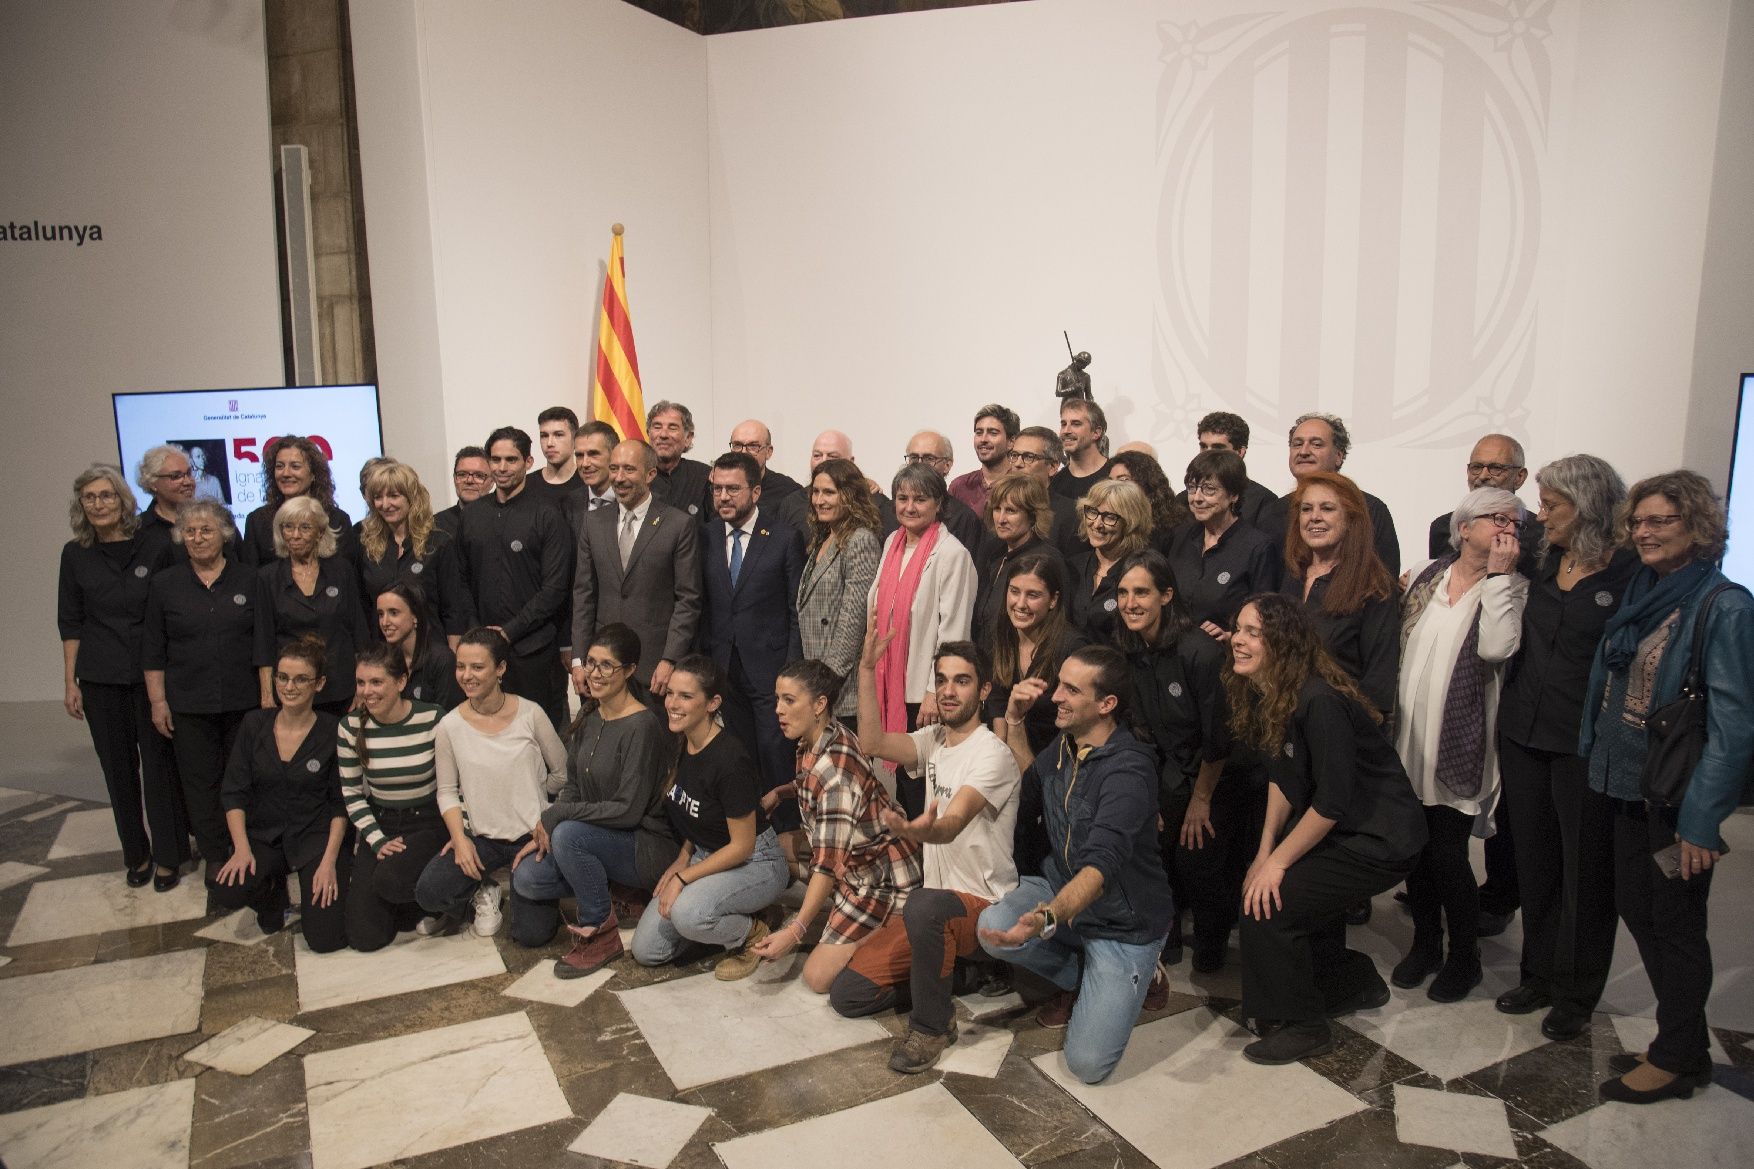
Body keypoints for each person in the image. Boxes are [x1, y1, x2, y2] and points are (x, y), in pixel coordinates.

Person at [1580, 470, 1754, 1104]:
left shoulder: (1724, 606)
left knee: (1675, 923)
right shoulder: (1644, 590)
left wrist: (1702, 822)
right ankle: (1684, 1043)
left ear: (1698, 528)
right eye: (1638, 521)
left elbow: (1734, 728)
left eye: (1660, 521)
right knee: (1641, 910)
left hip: (1676, 799)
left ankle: (1678, 1054)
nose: (1644, 532)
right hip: (1626, 783)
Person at [1226, 595, 1429, 1063]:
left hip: (1380, 839)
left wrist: (1277, 865)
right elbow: (1283, 778)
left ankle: (1304, 1026)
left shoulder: (1320, 702)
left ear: (1283, 642)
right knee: (1263, 882)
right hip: (1346, 830)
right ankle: (1350, 981)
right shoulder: (1272, 692)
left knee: (1269, 905)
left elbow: (1332, 804)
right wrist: (1264, 853)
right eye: (1238, 628)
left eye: (1254, 632)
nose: (1238, 639)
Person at [979, 646, 1173, 1085]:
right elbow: (1034, 779)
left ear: (1107, 705)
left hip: (1122, 922)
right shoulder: (1067, 746)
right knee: (992, 926)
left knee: (1087, 1065)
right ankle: (1083, 978)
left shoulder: (1128, 771)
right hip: (1061, 887)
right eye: (1059, 684)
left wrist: (1047, 916)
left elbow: (1100, 869)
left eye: (1071, 689)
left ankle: (1144, 970)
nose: (1055, 698)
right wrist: (1012, 721)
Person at [834, 632, 1021, 1074]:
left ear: (984, 690)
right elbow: (873, 742)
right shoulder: (934, 738)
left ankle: (932, 1025)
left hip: (983, 906)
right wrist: (865, 670)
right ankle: (954, 976)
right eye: (942, 681)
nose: (949, 691)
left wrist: (920, 830)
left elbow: (953, 822)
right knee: (849, 994)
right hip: (934, 909)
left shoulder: (992, 755)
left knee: (923, 905)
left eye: (962, 681)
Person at [1495, 454, 1634, 1041]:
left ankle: (1576, 993)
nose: (1541, 511)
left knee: (1586, 874)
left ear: (1588, 506)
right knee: (1535, 864)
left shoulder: (1628, 572)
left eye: (1553, 503)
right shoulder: (1546, 559)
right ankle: (1538, 974)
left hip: (1582, 744)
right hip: (1524, 734)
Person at [1391, 488, 1528, 1002]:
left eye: (1514, 522)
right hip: (1408, 739)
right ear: (1465, 527)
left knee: (1448, 855)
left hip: (1461, 742)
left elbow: (1497, 648)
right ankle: (1425, 945)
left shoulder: (1511, 588)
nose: (1507, 529)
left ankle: (1464, 958)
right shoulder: (1429, 575)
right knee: (1415, 854)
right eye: (1497, 519)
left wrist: (1496, 579)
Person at [1113, 550, 1255, 973]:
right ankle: (1166, 933)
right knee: (1151, 843)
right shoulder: (1130, 647)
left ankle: (1212, 939)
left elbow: (1221, 738)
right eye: (1122, 592)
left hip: (1217, 772)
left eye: (1141, 592)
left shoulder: (1199, 653)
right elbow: (1138, 730)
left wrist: (1201, 799)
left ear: (1167, 595)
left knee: (1197, 853)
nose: (1130, 603)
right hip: (1166, 768)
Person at [748, 660, 924, 992]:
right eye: (778, 700)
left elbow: (826, 866)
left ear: (819, 705)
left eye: (789, 701)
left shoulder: (836, 776)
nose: (778, 710)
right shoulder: (823, 735)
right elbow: (811, 785)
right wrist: (781, 792)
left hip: (881, 878)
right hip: (852, 858)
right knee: (776, 847)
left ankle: (895, 931)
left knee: (817, 977)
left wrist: (796, 930)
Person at [511, 624, 674, 977]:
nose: (595, 674)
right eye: (592, 663)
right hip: (598, 835)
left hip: (644, 845)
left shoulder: (642, 726)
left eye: (607, 666)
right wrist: (555, 819)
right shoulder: (590, 714)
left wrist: (557, 818)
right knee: (527, 878)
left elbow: (628, 810)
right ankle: (618, 892)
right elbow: (572, 786)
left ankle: (601, 932)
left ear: (630, 670)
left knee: (568, 835)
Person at [632, 654, 790, 979]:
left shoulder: (730, 759)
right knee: (648, 951)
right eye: (671, 693)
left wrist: (682, 878)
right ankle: (729, 917)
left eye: (686, 696)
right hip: (708, 854)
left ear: (712, 703)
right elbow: (702, 814)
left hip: (755, 862)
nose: (672, 703)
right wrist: (681, 858)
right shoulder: (681, 740)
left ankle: (752, 933)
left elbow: (742, 847)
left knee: (688, 913)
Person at [59, 464, 179, 889]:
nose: (98, 504)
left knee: (160, 770)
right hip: (100, 678)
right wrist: (70, 680)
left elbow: (167, 612)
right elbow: (70, 621)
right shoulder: (75, 554)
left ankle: (168, 855)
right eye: (89, 497)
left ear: (122, 500)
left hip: (150, 679)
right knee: (118, 771)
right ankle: (137, 853)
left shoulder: (153, 544)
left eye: (106, 495)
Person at [416, 627, 566, 942]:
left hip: (531, 835)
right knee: (429, 892)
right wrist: (459, 838)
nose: (466, 675)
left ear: (500, 669)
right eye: (461, 666)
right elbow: (445, 792)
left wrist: (542, 806)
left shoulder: (531, 713)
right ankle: (482, 890)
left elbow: (563, 774)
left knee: (532, 936)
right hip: (482, 838)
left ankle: (529, 883)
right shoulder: (449, 726)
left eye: (477, 667)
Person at [144, 499, 264, 890]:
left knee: (243, 777)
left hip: (243, 700)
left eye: (206, 530)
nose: (198, 538)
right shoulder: (165, 585)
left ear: (224, 534)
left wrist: (266, 695)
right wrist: (158, 701)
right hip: (189, 702)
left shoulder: (250, 580)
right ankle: (216, 853)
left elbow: (263, 643)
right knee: (200, 782)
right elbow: (153, 650)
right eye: (190, 531)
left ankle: (246, 847)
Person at [212, 635, 348, 948]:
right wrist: (242, 848)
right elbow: (234, 793)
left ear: (319, 684)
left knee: (325, 939)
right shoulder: (253, 724)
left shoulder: (334, 730)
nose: (289, 687)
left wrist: (329, 862)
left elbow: (340, 805)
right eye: (283, 677)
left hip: (315, 839)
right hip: (265, 836)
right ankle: (272, 897)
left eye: (301, 679)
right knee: (227, 889)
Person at [866, 462, 977, 816]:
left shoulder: (952, 553)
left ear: (939, 504)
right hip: (889, 681)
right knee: (895, 787)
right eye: (902, 498)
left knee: (920, 790)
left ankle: (927, 865)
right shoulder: (892, 543)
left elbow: (954, 631)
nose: (909, 507)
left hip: (920, 691)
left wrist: (935, 689)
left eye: (920, 499)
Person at [700, 451, 807, 814]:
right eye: (717, 489)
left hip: (771, 670)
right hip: (724, 669)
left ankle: (789, 837)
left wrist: (791, 670)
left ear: (756, 492)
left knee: (776, 753)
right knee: (739, 755)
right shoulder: (706, 536)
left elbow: (796, 609)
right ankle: (752, 832)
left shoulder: (783, 537)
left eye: (733, 489)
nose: (723, 497)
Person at [456, 426, 574, 731]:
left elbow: (555, 588)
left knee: (537, 735)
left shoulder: (547, 514)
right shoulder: (473, 515)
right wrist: (476, 633)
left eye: (511, 460)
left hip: (533, 651)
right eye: (495, 460)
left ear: (528, 462)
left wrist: (509, 631)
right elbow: (461, 581)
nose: (502, 468)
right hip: (482, 651)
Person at [570, 438, 702, 696]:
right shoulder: (593, 522)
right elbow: (583, 594)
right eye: (614, 468)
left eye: (629, 469)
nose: (619, 478)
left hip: (654, 669)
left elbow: (688, 600)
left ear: (651, 474)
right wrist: (579, 660)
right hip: (601, 668)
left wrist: (670, 659)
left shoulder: (678, 524)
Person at [339, 643, 447, 951]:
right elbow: (352, 793)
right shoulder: (349, 727)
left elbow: (453, 785)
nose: (366, 691)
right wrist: (376, 840)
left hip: (427, 820)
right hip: (383, 822)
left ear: (401, 682)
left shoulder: (432, 718)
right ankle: (410, 903)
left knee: (391, 881)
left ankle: (446, 897)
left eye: (376, 682)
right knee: (365, 937)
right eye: (361, 683)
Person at [1279, 472, 1399, 715]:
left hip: (1341, 726)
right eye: (1306, 509)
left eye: (1327, 509)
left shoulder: (1374, 588)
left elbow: (1378, 686)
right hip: (1283, 724)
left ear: (1350, 518)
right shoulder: (1291, 576)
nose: (1314, 518)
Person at [254, 496, 369, 718]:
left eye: (304, 527)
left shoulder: (341, 570)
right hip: (292, 688)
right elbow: (263, 640)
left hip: (340, 686)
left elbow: (358, 631)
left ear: (320, 532)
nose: (295, 535)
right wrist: (267, 694)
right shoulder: (267, 577)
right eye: (288, 527)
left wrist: (362, 685)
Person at [1258, 413, 1401, 576]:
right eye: (1297, 444)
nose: (1303, 451)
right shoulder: (1272, 512)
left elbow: (1385, 580)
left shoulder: (1369, 509)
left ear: (1338, 456)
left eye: (1316, 444)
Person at [797, 457, 883, 719]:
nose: (819, 500)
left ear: (849, 496)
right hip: (818, 678)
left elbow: (853, 618)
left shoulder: (860, 540)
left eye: (829, 493)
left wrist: (829, 679)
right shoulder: (823, 538)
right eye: (816, 492)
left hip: (843, 688)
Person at [1166, 449, 1283, 636]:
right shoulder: (1181, 536)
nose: (1197, 498)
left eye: (1209, 489)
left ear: (1233, 495)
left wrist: (1232, 635)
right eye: (1192, 488)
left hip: (1226, 655)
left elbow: (1266, 618)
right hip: (1175, 649)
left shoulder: (1257, 547)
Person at [357, 461, 471, 646]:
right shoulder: (366, 545)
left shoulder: (438, 543)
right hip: (384, 656)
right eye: (378, 497)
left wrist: (452, 657)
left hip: (431, 651)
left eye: (394, 496)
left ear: (411, 497)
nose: (385, 504)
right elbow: (362, 608)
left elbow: (453, 611)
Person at [1426, 434, 1543, 576]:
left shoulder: (1541, 533)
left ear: (1519, 477)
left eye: (1496, 468)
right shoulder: (1443, 527)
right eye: (1476, 467)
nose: (1482, 476)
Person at [239, 436, 356, 569]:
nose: (286, 473)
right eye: (279, 466)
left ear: (313, 474)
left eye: (295, 466)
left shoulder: (337, 520)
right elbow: (251, 578)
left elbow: (345, 576)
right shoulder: (257, 521)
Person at [974, 472, 1065, 639]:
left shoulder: (1047, 559)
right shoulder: (994, 553)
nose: (1001, 519)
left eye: (1010, 511)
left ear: (1032, 515)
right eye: (997, 509)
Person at [1067, 479, 1152, 644]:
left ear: (1130, 523)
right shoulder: (1072, 566)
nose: (1097, 524)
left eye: (1109, 517)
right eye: (1092, 512)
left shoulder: (1143, 571)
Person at [1173, 412, 1278, 531]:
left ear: (1240, 452)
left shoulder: (1263, 501)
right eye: (1203, 447)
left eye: (1218, 448)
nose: (1207, 454)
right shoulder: (1183, 500)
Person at [1006, 426, 1088, 558]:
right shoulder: (998, 508)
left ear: (1053, 466)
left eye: (1028, 457)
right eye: (1014, 455)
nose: (1017, 464)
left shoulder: (1072, 515)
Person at [376, 581, 460, 708]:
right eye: (381, 614)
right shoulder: (383, 660)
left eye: (394, 613)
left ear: (415, 616)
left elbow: (448, 717)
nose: (385, 622)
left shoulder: (443, 660)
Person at [902, 431, 988, 555]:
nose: (919, 465)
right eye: (914, 458)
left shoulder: (964, 519)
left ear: (947, 465)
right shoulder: (892, 512)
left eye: (929, 459)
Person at [1107, 450, 1189, 551]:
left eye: (1123, 480)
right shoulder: (1109, 523)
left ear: (1145, 484)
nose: (1113, 487)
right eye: (1110, 481)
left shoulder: (1175, 530)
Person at [948, 403, 1020, 515]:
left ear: (1011, 441)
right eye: (979, 433)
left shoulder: (1022, 486)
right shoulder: (959, 486)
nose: (983, 439)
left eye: (993, 433)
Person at [646, 399, 713, 517]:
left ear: (688, 438)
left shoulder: (704, 476)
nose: (663, 435)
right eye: (657, 427)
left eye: (672, 428)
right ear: (648, 434)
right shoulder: (637, 476)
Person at [134, 444, 197, 561]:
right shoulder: (138, 529)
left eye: (188, 473)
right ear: (153, 483)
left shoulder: (216, 519)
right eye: (176, 476)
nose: (188, 482)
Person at [728, 418, 804, 507]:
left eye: (753, 446)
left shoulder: (788, 491)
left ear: (768, 452)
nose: (744, 452)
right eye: (737, 445)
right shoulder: (718, 490)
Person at [526, 406, 587, 510]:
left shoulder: (587, 483)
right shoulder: (526, 484)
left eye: (558, 435)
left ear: (575, 438)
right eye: (544, 435)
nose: (549, 443)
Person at [1051, 399, 1111, 499]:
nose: (1066, 431)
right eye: (1063, 424)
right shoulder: (1056, 483)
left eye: (1076, 424)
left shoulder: (1114, 475)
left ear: (1096, 432)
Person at [434, 446, 492, 539]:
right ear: (454, 478)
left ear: (492, 481)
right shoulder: (436, 525)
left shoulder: (503, 522)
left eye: (478, 475)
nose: (469, 480)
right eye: (462, 474)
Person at [570, 420, 620, 514]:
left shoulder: (636, 501)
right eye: (579, 455)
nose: (585, 464)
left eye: (593, 454)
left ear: (614, 454)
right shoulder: (566, 506)